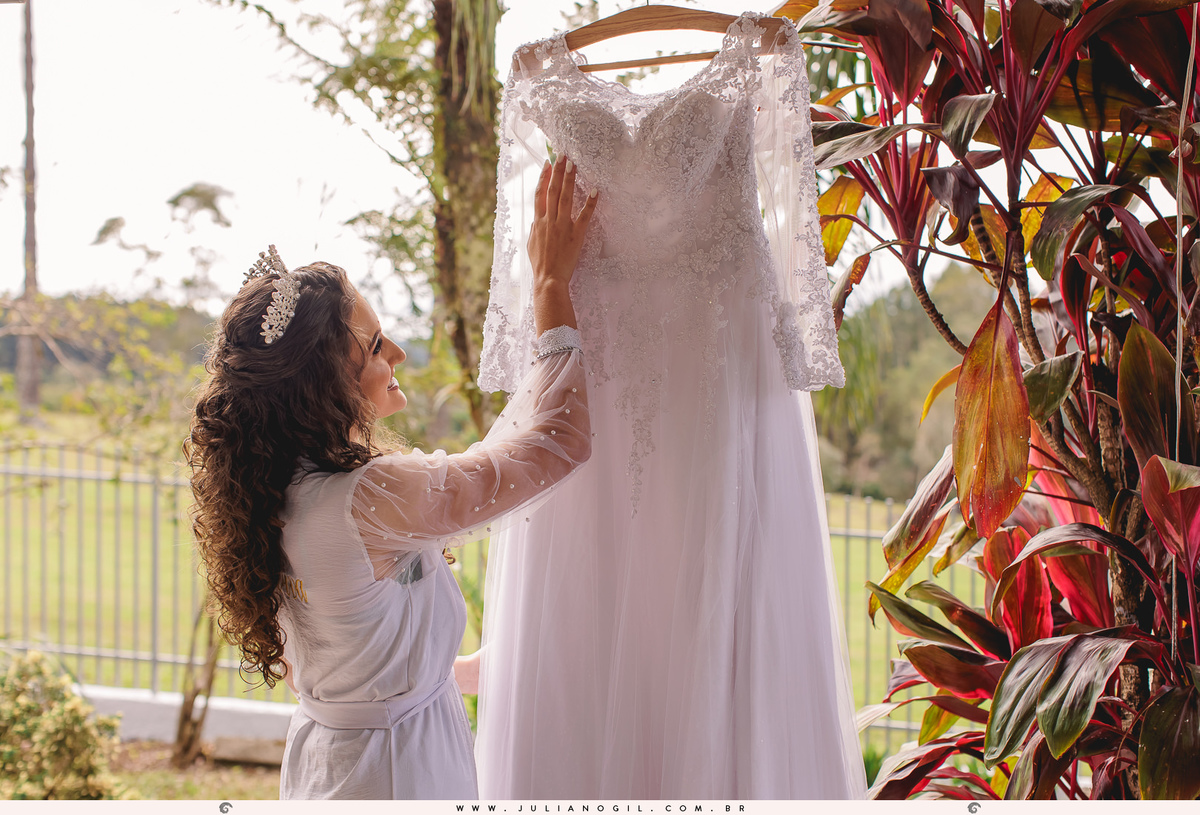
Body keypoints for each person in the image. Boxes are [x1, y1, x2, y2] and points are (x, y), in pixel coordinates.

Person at [186, 155, 596, 799]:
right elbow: (558, 444)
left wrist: (466, 673)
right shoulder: (368, 496)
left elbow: (341, 665)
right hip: (399, 773)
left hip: (331, 761)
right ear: (324, 381)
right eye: (376, 344)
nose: (398, 352)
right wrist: (550, 286)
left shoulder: (269, 490)